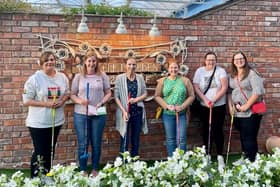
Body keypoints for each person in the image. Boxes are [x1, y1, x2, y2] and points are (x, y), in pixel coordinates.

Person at [22, 51, 70, 178]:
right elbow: (26, 100)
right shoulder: (34, 79)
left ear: (55, 61)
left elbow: (67, 93)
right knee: (40, 151)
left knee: (50, 150)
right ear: (41, 63)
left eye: (52, 59)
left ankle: (46, 175)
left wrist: (62, 100)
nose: (50, 62)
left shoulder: (62, 77)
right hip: (38, 123)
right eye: (46, 60)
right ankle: (35, 178)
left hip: (56, 121)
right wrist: (46, 104)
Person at [70, 51, 111, 176]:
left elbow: (109, 93)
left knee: (96, 142)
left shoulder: (102, 75)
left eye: (94, 61)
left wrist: (102, 102)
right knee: (83, 142)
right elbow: (72, 95)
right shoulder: (78, 77)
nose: (91, 63)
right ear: (85, 62)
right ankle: (83, 169)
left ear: (96, 62)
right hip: (81, 114)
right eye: (89, 61)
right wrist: (81, 101)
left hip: (98, 113)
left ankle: (94, 169)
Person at [228, 51, 265, 162]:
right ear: (233, 62)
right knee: (243, 136)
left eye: (241, 58)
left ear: (245, 59)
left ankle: (252, 161)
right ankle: (245, 157)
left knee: (250, 137)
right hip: (237, 112)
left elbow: (257, 92)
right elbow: (229, 91)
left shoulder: (252, 74)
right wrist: (230, 107)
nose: (239, 61)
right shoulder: (233, 75)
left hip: (251, 111)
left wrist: (246, 106)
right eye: (236, 59)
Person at [193, 51, 228, 161]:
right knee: (205, 129)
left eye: (213, 60)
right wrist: (205, 100)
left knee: (218, 129)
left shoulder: (220, 71)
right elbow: (196, 86)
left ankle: (219, 155)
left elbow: (224, 87)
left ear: (216, 61)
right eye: (208, 59)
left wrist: (213, 100)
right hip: (204, 106)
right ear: (205, 60)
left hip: (219, 106)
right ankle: (207, 154)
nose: (211, 62)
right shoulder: (200, 71)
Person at [155, 61, 195, 157]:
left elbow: (192, 96)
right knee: (170, 139)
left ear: (179, 68)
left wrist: (182, 106)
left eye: (175, 67)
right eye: (171, 68)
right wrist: (167, 106)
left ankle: (182, 161)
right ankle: (172, 161)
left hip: (181, 114)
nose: (173, 70)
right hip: (168, 114)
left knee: (181, 138)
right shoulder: (162, 81)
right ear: (168, 69)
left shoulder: (185, 80)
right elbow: (157, 96)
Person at [114, 58, 148, 157]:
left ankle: (134, 164)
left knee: (135, 140)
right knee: (124, 139)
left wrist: (136, 99)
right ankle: (123, 164)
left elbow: (145, 93)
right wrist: (124, 112)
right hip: (125, 113)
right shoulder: (120, 78)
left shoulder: (140, 78)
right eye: (129, 64)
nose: (131, 67)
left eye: (134, 65)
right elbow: (116, 97)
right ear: (125, 65)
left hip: (137, 112)